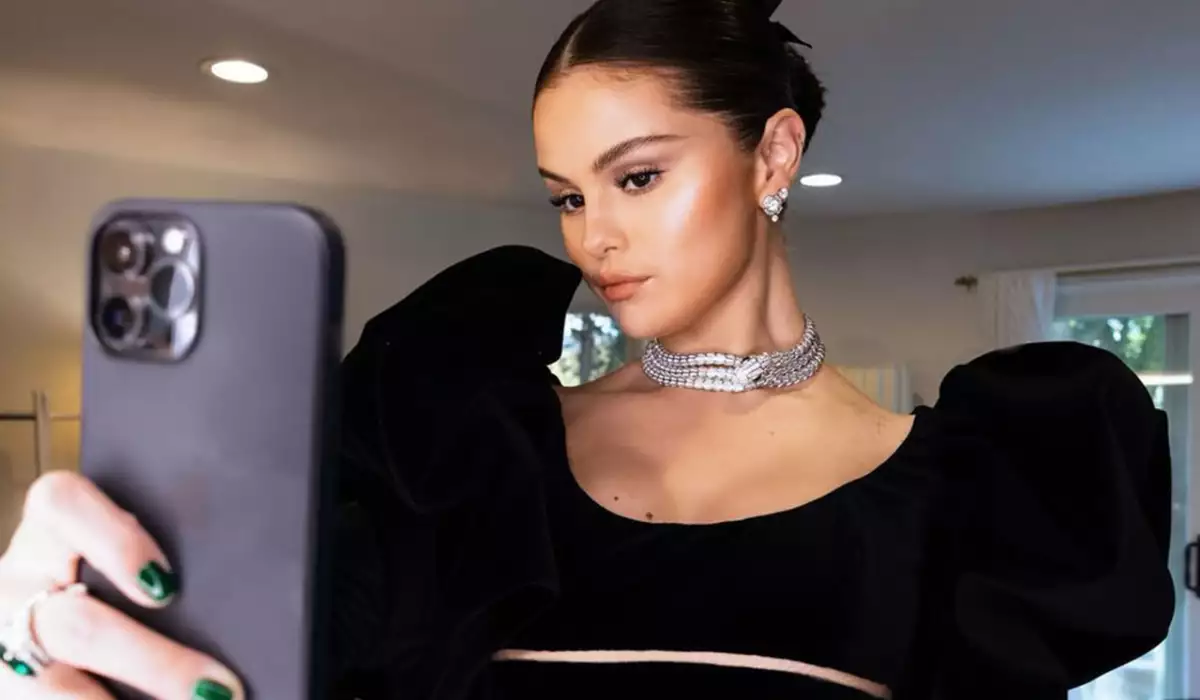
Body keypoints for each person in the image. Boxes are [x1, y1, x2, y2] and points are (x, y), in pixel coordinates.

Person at [0, 0, 1176, 698]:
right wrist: (70, 634)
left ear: (774, 156)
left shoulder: (971, 492)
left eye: (639, 176)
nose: (593, 234)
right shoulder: (464, 454)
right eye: (567, 194)